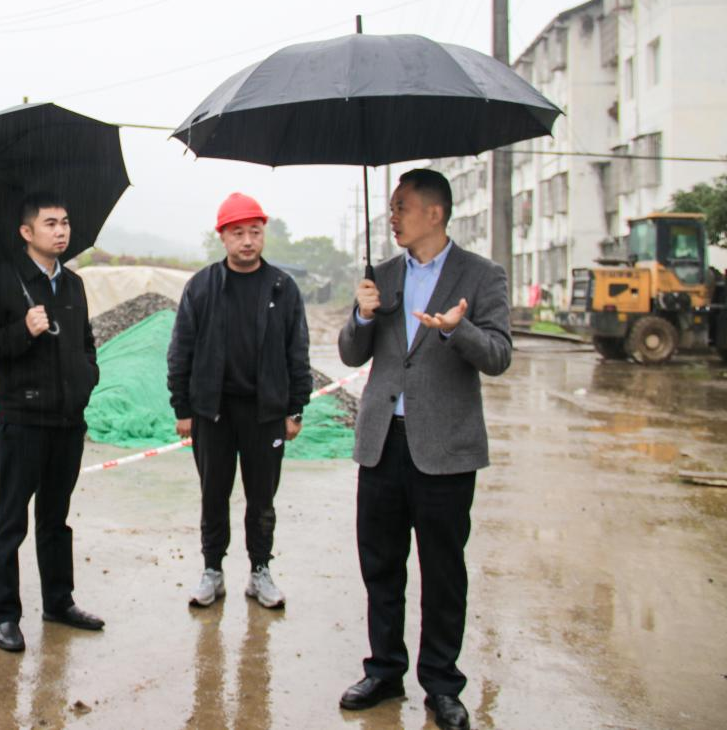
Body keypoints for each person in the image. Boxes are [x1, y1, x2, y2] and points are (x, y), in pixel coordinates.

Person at [336, 168, 512, 730]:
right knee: (380, 565)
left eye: (401, 207)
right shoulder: (382, 275)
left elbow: (499, 355)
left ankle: (441, 684)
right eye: (391, 207)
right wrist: (363, 314)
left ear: (434, 213)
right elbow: (351, 354)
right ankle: (384, 670)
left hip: (445, 449)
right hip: (382, 444)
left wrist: (457, 330)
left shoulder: (480, 275)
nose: (392, 217)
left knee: (443, 572)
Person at [0, 192, 104, 653]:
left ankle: (59, 602)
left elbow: (86, 343)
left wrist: (87, 377)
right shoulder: (0, 281)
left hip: (68, 421)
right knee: (10, 521)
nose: (61, 231)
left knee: (55, 518)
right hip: (22, 420)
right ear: (26, 232)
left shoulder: (74, 284)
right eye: (50, 224)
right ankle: (5, 616)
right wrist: (22, 330)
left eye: (65, 222)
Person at [167, 192, 312, 611]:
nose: (247, 241)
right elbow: (181, 350)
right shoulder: (202, 286)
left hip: (265, 412)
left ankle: (260, 571)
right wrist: (182, 408)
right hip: (212, 411)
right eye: (238, 233)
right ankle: (212, 570)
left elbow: (297, 351)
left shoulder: (283, 287)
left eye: (255, 231)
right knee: (213, 494)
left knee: (262, 497)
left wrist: (295, 407)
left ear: (263, 233)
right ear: (223, 237)